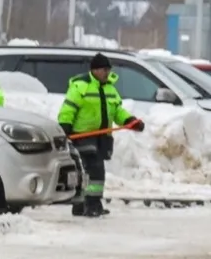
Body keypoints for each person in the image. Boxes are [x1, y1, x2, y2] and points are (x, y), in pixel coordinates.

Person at [57, 53, 145, 217]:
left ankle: (81, 205)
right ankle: (93, 205)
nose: (107, 73)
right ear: (95, 70)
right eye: (104, 69)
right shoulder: (80, 87)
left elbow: (117, 111)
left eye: (108, 69)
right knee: (96, 170)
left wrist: (131, 121)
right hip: (83, 135)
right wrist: (65, 126)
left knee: (88, 172)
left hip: (102, 137)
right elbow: (68, 108)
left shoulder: (110, 89)